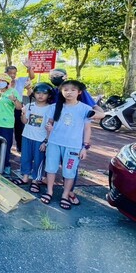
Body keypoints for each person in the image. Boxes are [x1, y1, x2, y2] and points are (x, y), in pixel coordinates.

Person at [40, 80, 94, 210]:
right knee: (51, 169)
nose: (68, 92)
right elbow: (50, 124)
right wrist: (48, 134)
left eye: (72, 90)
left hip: (73, 146)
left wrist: (84, 147)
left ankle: (65, 195)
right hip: (54, 143)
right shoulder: (54, 107)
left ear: (79, 92)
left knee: (69, 171)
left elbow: (87, 129)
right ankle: (49, 192)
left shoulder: (86, 109)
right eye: (65, 90)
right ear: (61, 92)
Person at [12, 82, 54, 193]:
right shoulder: (30, 105)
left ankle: (36, 180)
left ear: (49, 95)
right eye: (38, 93)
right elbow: (25, 121)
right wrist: (23, 113)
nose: (40, 95)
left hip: (40, 139)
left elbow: (50, 126)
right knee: (25, 157)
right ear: (34, 94)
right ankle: (25, 177)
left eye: (44, 93)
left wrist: (46, 142)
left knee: (39, 160)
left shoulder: (50, 109)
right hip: (27, 136)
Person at [6, 62, 35, 152]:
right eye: (10, 73)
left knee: (19, 128)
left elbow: (32, 77)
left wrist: (29, 67)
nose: (12, 75)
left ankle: (19, 146)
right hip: (7, 108)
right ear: (6, 73)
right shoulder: (3, 83)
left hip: (18, 107)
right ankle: (6, 147)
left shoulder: (20, 81)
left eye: (14, 73)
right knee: (7, 128)